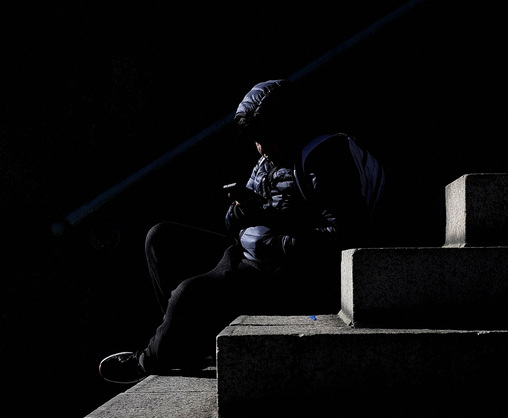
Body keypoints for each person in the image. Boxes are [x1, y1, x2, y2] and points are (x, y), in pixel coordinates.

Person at [99, 79, 387, 384]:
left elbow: (345, 236)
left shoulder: (326, 156)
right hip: (249, 253)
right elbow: (232, 222)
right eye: (255, 139)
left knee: (189, 293)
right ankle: (187, 343)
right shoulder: (268, 160)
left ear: (288, 124)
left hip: (289, 274)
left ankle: (149, 360)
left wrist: (276, 242)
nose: (261, 147)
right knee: (161, 239)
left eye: (265, 136)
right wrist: (241, 211)